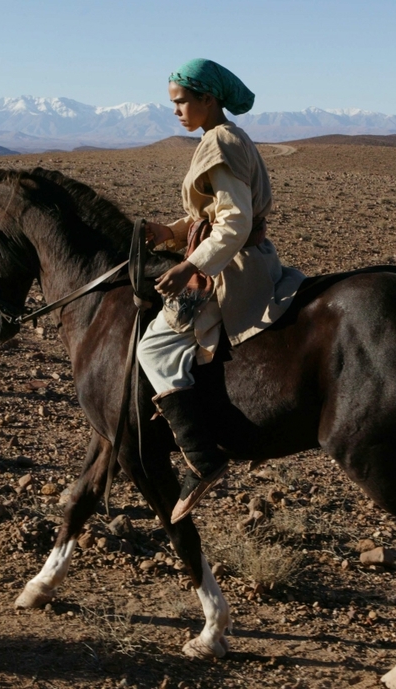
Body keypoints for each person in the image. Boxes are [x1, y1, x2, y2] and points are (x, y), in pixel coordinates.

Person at [138, 59, 305, 523]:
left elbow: (234, 221)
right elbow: (209, 216)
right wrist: (168, 231)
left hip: (233, 268)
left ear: (207, 99)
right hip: (231, 256)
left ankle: (202, 457)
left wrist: (189, 264)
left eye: (181, 101)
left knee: (154, 347)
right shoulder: (223, 138)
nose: (175, 111)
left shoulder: (220, 143)